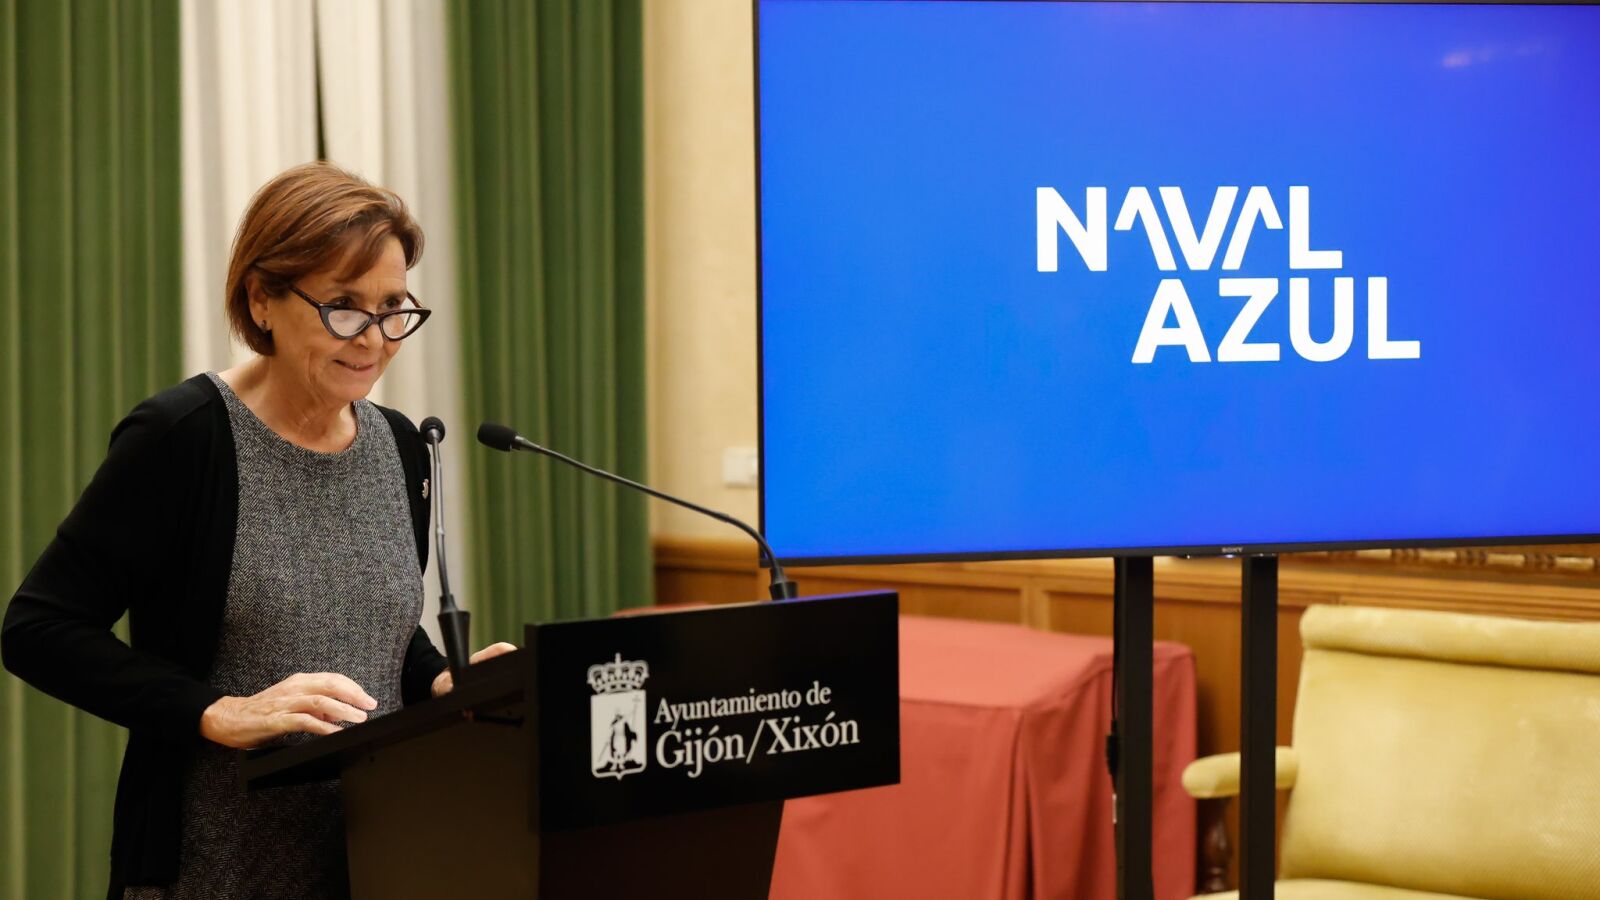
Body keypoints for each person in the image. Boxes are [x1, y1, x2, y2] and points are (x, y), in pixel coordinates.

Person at [1, 161, 514, 900]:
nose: (374, 339)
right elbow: (38, 628)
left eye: (392, 307)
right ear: (262, 299)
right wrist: (215, 711)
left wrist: (439, 679)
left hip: (379, 856)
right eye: (343, 306)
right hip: (214, 864)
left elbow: (375, 630)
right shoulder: (183, 438)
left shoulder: (401, 445)